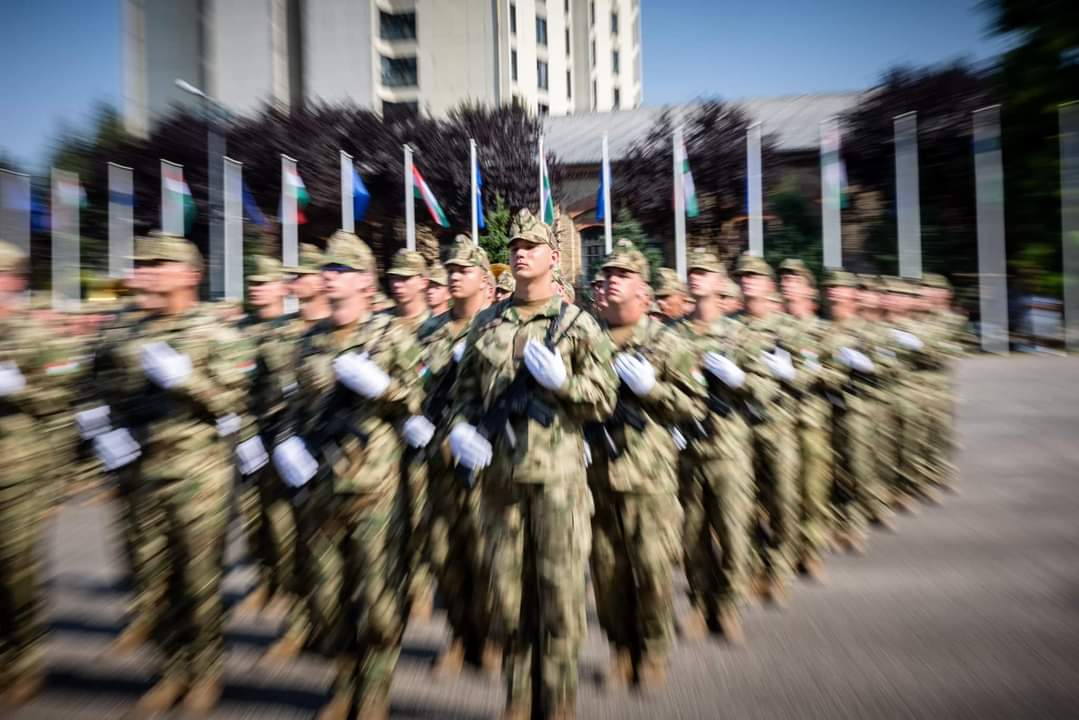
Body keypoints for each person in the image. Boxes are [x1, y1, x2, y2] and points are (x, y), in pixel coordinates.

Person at [448, 209, 617, 719]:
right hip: (500, 480)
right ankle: (518, 696)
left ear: (552, 256)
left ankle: (557, 699)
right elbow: (465, 395)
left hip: (558, 482)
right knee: (507, 594)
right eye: (515, 246)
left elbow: (605, 398)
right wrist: (461, 431)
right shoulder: (487, 323)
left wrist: (564, 384)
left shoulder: (578, 324)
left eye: (531, 245)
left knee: (560, 597)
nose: (520, 252)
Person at [99, 233, 254, 716]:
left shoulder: (217, 332)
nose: (143, 272)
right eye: (141, 265)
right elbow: (106, 392)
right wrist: (105, 429)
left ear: (189, 274)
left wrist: (187, 380)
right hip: (142, 473)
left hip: (199, 476)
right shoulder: (129, 334)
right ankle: (168, 669)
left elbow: (235, 403)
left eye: (156, 264)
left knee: (197, 579)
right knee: (151, 578)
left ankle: (204, 671)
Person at [273, 229, 422, 720]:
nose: (329, 278)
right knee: (327, 600)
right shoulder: (307, 341)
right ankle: (343, 680)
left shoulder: (391, 336)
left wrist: (384, 391)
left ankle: (373, 690)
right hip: (319, 490)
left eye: (340, 270)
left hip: (375, 491)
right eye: (327, 269)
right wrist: (285, 446)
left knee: (377, 601)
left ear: (364, 280)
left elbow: (416, 410)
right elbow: (295, 411)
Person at [586, 240, 706, 688]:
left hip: (648, 475)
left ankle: (654, 649)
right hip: (596, 471)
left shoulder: (666, 341)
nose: (613, 280)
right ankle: (621, 649)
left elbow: (695, 404)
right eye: (609, 274)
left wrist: (653, 389)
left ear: (643, 289)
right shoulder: (587, 338)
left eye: (623, 275)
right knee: (607, 572)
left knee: (653, 569)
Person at [0, 240, 81, 708]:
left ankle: (25, 656)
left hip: (20, 473)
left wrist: (21, 389)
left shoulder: (40, 338)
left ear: (14, 281)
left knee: (16, 571)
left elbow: (61, 401)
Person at [415, 236, 498, 675]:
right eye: (449, 270)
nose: (453, 276)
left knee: (484, 553)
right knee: (445, 555)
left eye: (462, 270)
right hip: (438, 456)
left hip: (484, 457)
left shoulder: (495, 327)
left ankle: (490, 639)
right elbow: (414, 386)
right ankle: (458, 636)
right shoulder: (429, 330)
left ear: (484, 280)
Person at [669, 250, 754, 642]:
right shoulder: (674, 334)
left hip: (728, 448)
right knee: (692, 533)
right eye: (693, 272)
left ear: (720, 283)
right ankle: (701, 604)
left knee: (733, 531)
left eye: (705, 272)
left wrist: (741, 380)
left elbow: (766, 386)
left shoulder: (739, 334)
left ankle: (730, 605)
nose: (697, 277)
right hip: (688, 448)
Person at [731, 252, 800, 604]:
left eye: (754, 277)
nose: (747, 282)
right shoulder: (732, 327)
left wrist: (793, 373)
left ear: (768, 285)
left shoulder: (786, 327)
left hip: (779, 426)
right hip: (741, 428)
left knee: (782, 501)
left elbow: (812, 374)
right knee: (746, 505)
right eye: (743, 277)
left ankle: (779, 566)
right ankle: (757, 569)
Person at [233, 256, 294, 620]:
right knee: (253, 518)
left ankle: (287, 587)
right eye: (253, 284)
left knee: (283, 520)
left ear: (279, 288)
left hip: (284, 433)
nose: (257, 289)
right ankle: (264, 580)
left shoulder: (292, 331)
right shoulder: (240, 331)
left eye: (264, 283)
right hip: (250, 436)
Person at [777, 259, 832, 578]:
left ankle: (810, 549)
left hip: (811, 419)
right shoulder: (771, 326)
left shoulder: (820, 330)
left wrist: (804, 373)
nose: (787, 284)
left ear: (808, 289)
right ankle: (781, 554)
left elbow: (835, 371)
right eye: (784, 279)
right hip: (777, 421)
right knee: (781, 492)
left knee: (812, 489)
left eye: (795, 279)